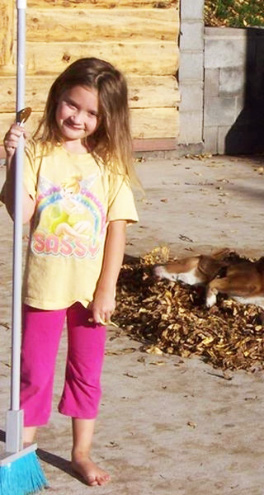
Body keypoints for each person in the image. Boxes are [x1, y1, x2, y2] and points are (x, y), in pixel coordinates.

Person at [0, 57, 140, 486]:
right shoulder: (37, 153)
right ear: (57, 98)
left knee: (85, 372)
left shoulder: (110, 165)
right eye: (71, 105)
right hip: (44, 287)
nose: (77, 117)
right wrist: (10, 160)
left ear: (107, 117)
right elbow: (19, 213)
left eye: (91, 112)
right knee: (34, 373)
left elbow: (117, 232)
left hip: (89, 292)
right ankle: (21, 454)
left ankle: (81, 453)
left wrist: (107, 290)